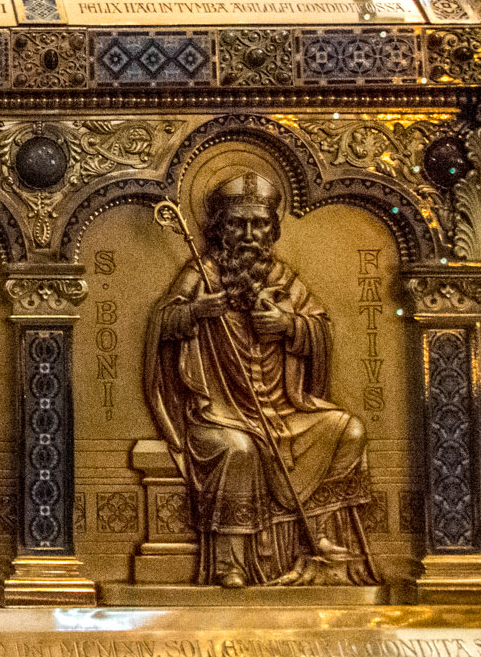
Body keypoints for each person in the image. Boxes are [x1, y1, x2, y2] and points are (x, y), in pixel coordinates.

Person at [145, 173, 376, 587]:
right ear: (220, 228)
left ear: (272, 228)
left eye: (259, 224)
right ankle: (229, 562)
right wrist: (196, 312)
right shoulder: (202, 273)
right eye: (238, 224)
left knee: (349, 430)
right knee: (239, 450)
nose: (249, 235)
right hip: (221, 411)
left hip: (284, 407)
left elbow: (320, 328)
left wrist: (289, 325)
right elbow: (162, 322)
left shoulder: (284, 278)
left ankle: (317, 537)